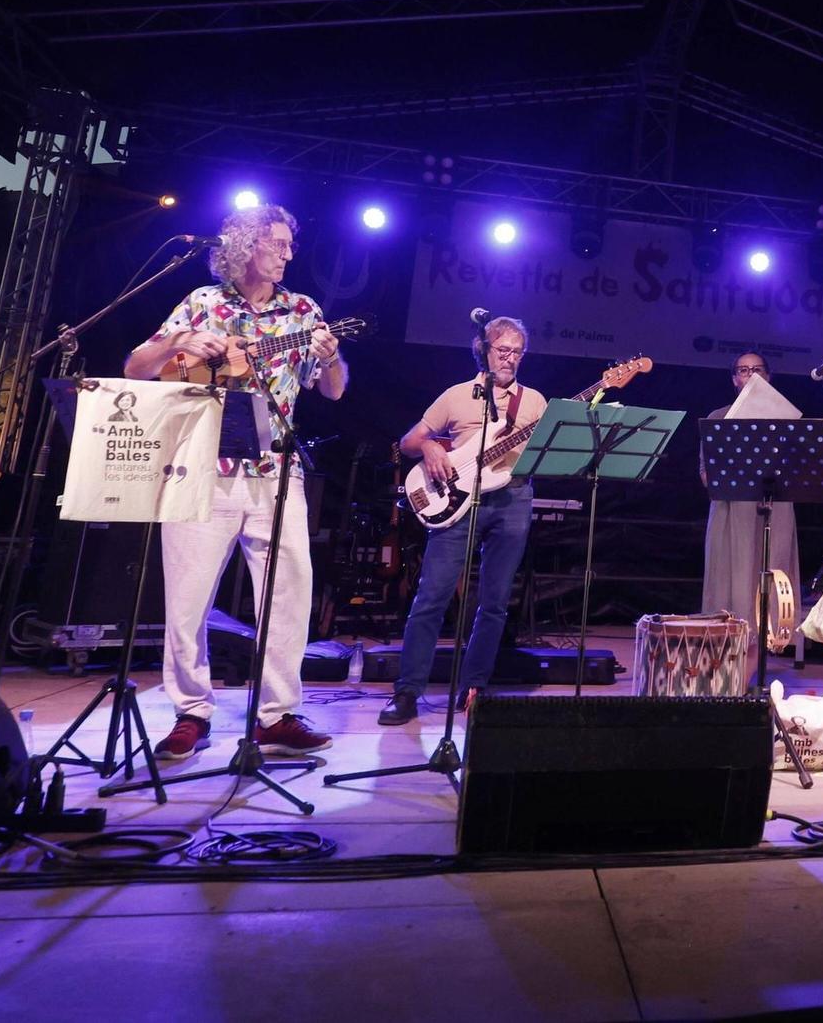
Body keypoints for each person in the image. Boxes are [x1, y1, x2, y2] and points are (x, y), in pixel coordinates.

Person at [123, 204, 345, 761]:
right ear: (246, 245)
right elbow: (137, 368)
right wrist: (182, 347)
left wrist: (333, 356)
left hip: (276, 471)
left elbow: (335, 390)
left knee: (290, 593)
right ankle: (191, 711)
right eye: (277, 243)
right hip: (200, 468)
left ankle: (276, 714)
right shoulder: (202, 303)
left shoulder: (303, 310)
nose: (289, 253)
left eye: (290, 244)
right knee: (189, 596)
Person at [381, 315, 546, 724]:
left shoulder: (536, 402)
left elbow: (548, 451)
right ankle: (407, 692)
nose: (510, 358)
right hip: (458, 500)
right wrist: (432, 450)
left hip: (513, 497)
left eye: (517, 352)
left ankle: (475, 688)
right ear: (483, 350)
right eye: (502, 350)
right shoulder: (456, 396)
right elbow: (409, 441)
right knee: (431, 597)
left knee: (494, 603)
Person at [701, 351, 799, 632]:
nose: (750, 375)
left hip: (775, 506)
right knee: (734, 573)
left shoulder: (785, 418)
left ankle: (769, 638)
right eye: (743, 370)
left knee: (773, 567)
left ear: (768, 376)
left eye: (757, 369)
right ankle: (729, 637)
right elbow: (706, 475)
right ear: (734, 379)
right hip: (732, 509)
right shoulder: (718, 417)